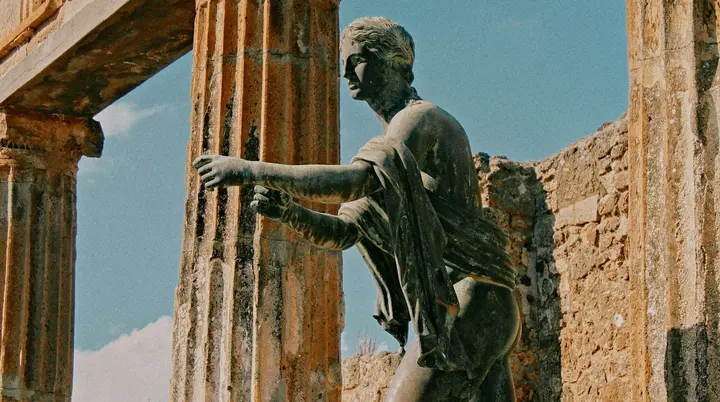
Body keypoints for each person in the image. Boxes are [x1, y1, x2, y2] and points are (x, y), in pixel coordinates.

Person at [193, 16, 519, 401]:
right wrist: (290, 212)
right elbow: (345, 231)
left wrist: (250, 169)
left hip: (476, 297)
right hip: (471, 305)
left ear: (397, 64)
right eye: (343, 62)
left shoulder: (419, 121)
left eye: (358, 59)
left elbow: (356, 182)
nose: (345, 71)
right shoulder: (393, 159)